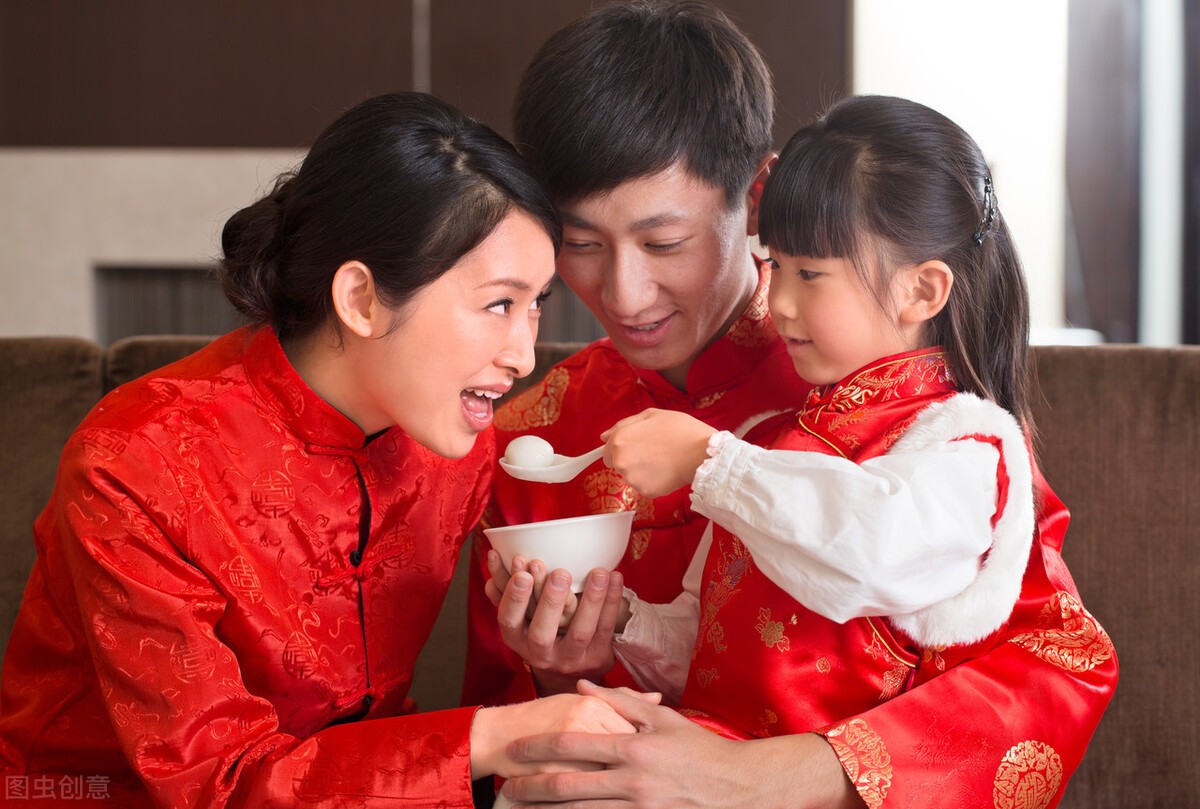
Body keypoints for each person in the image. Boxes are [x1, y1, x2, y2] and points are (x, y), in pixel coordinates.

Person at [473, 4, 1117, 807]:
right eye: (582, 244)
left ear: (757, 195)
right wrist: (562, 665)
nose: (624, 294)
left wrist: (762, 777)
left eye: (665, 243)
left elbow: (1053, 662)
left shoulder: (889, 393)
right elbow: (486, 733)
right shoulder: (530, 429)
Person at [0, 91, 640, 808]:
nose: (523, 355)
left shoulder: (456, 448)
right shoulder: (137, 463)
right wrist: (496, 736)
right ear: (361, 298)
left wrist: (555, 668)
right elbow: (216, 786)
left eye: (537, 304)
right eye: (499, 303)